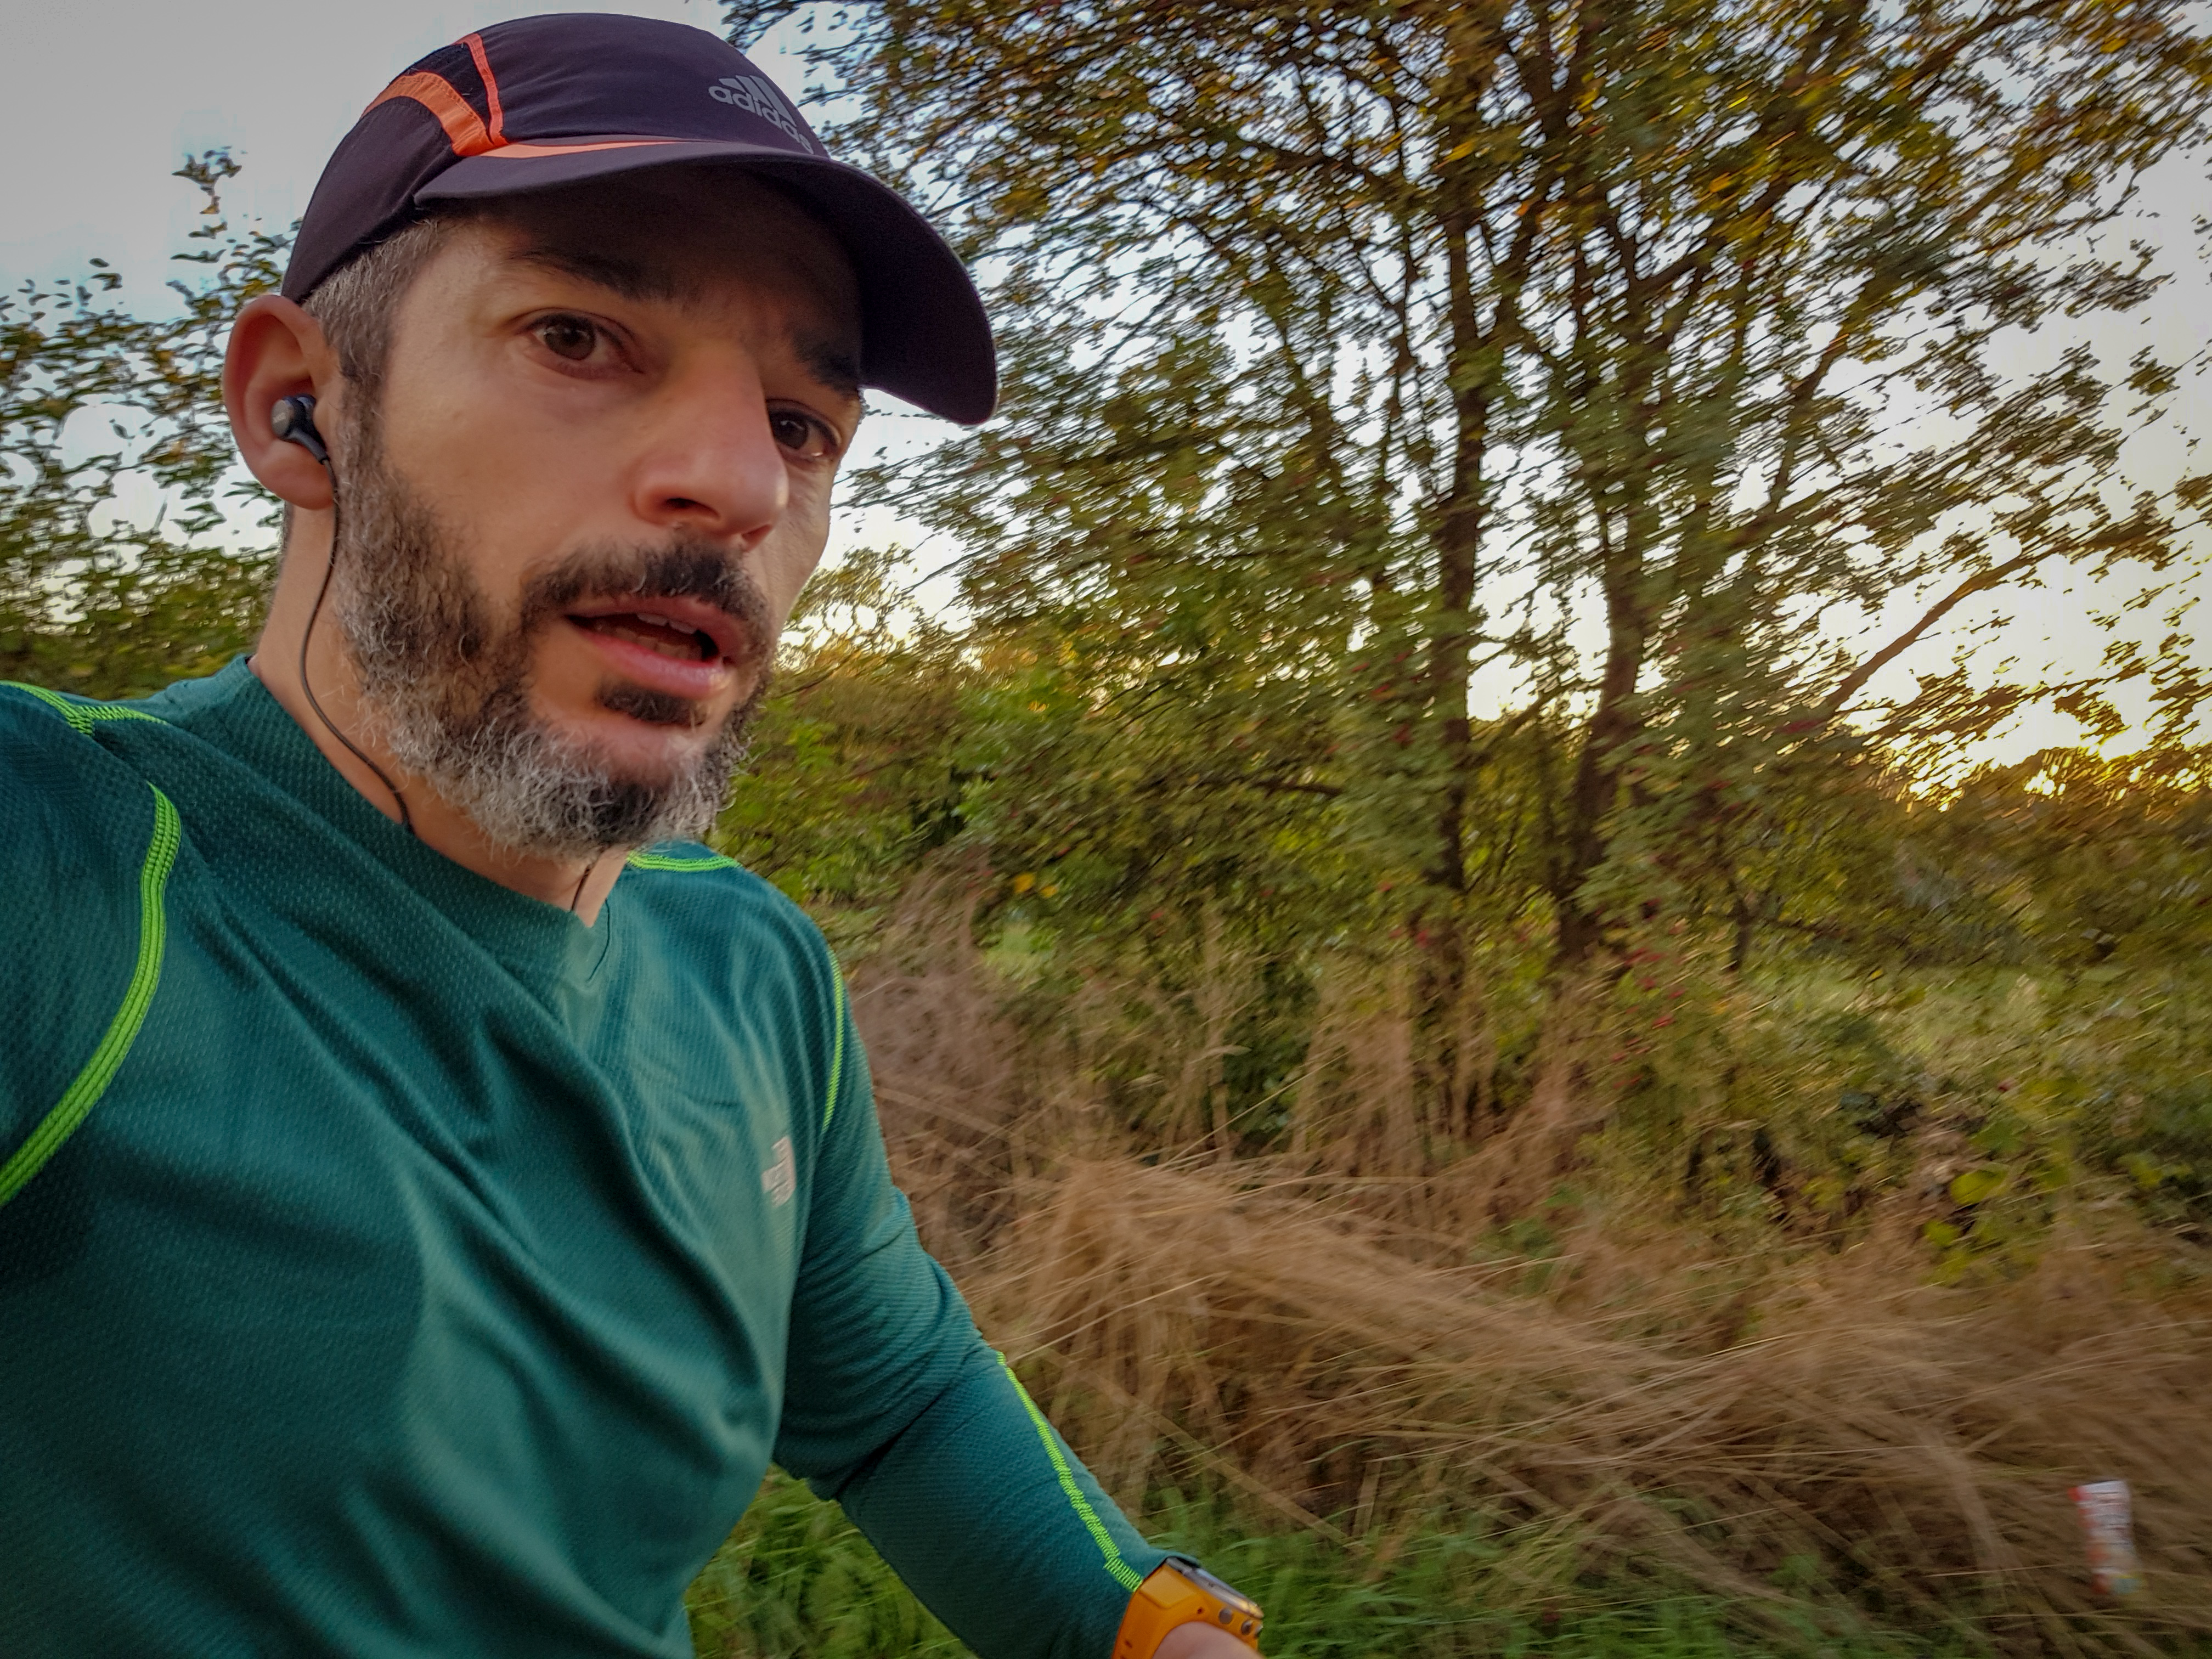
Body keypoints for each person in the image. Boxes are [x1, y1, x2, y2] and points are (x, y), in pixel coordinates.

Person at [0, 15, 1263, 1659]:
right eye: (579, 336)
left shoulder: (751, 974)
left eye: (802, 424)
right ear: (300, 404)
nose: (741, 484)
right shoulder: (68, 864)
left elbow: (894, 1397)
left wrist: (1167, 1637)